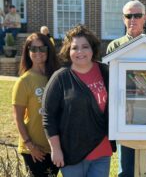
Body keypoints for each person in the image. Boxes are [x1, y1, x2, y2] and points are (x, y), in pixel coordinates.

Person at [42, 25, 115, 176]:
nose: (80, 52)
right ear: (68, 51)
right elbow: (49, 117)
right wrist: (56, 150)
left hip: (101, 150)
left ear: (92, 49)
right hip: (71, 152)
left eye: (85, 46)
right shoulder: (60, 78)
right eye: (75, 47)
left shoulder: (106, 72)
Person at [106, 0, 146, 176]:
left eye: (137, 15)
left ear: (145, 18)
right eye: (128, 15)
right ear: (123, 19)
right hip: (125, 110)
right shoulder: (115, 46)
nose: (133, 19)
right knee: (126, 165)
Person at [12, 31, 60, 177]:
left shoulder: (56, 77)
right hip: (34, 150)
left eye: (42, 48)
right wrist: (30, 145)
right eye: (33, 49)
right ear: (27, 52)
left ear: (48, 50)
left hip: (55, 147)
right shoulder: (24, 81)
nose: (38, 52)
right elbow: (18, 118)